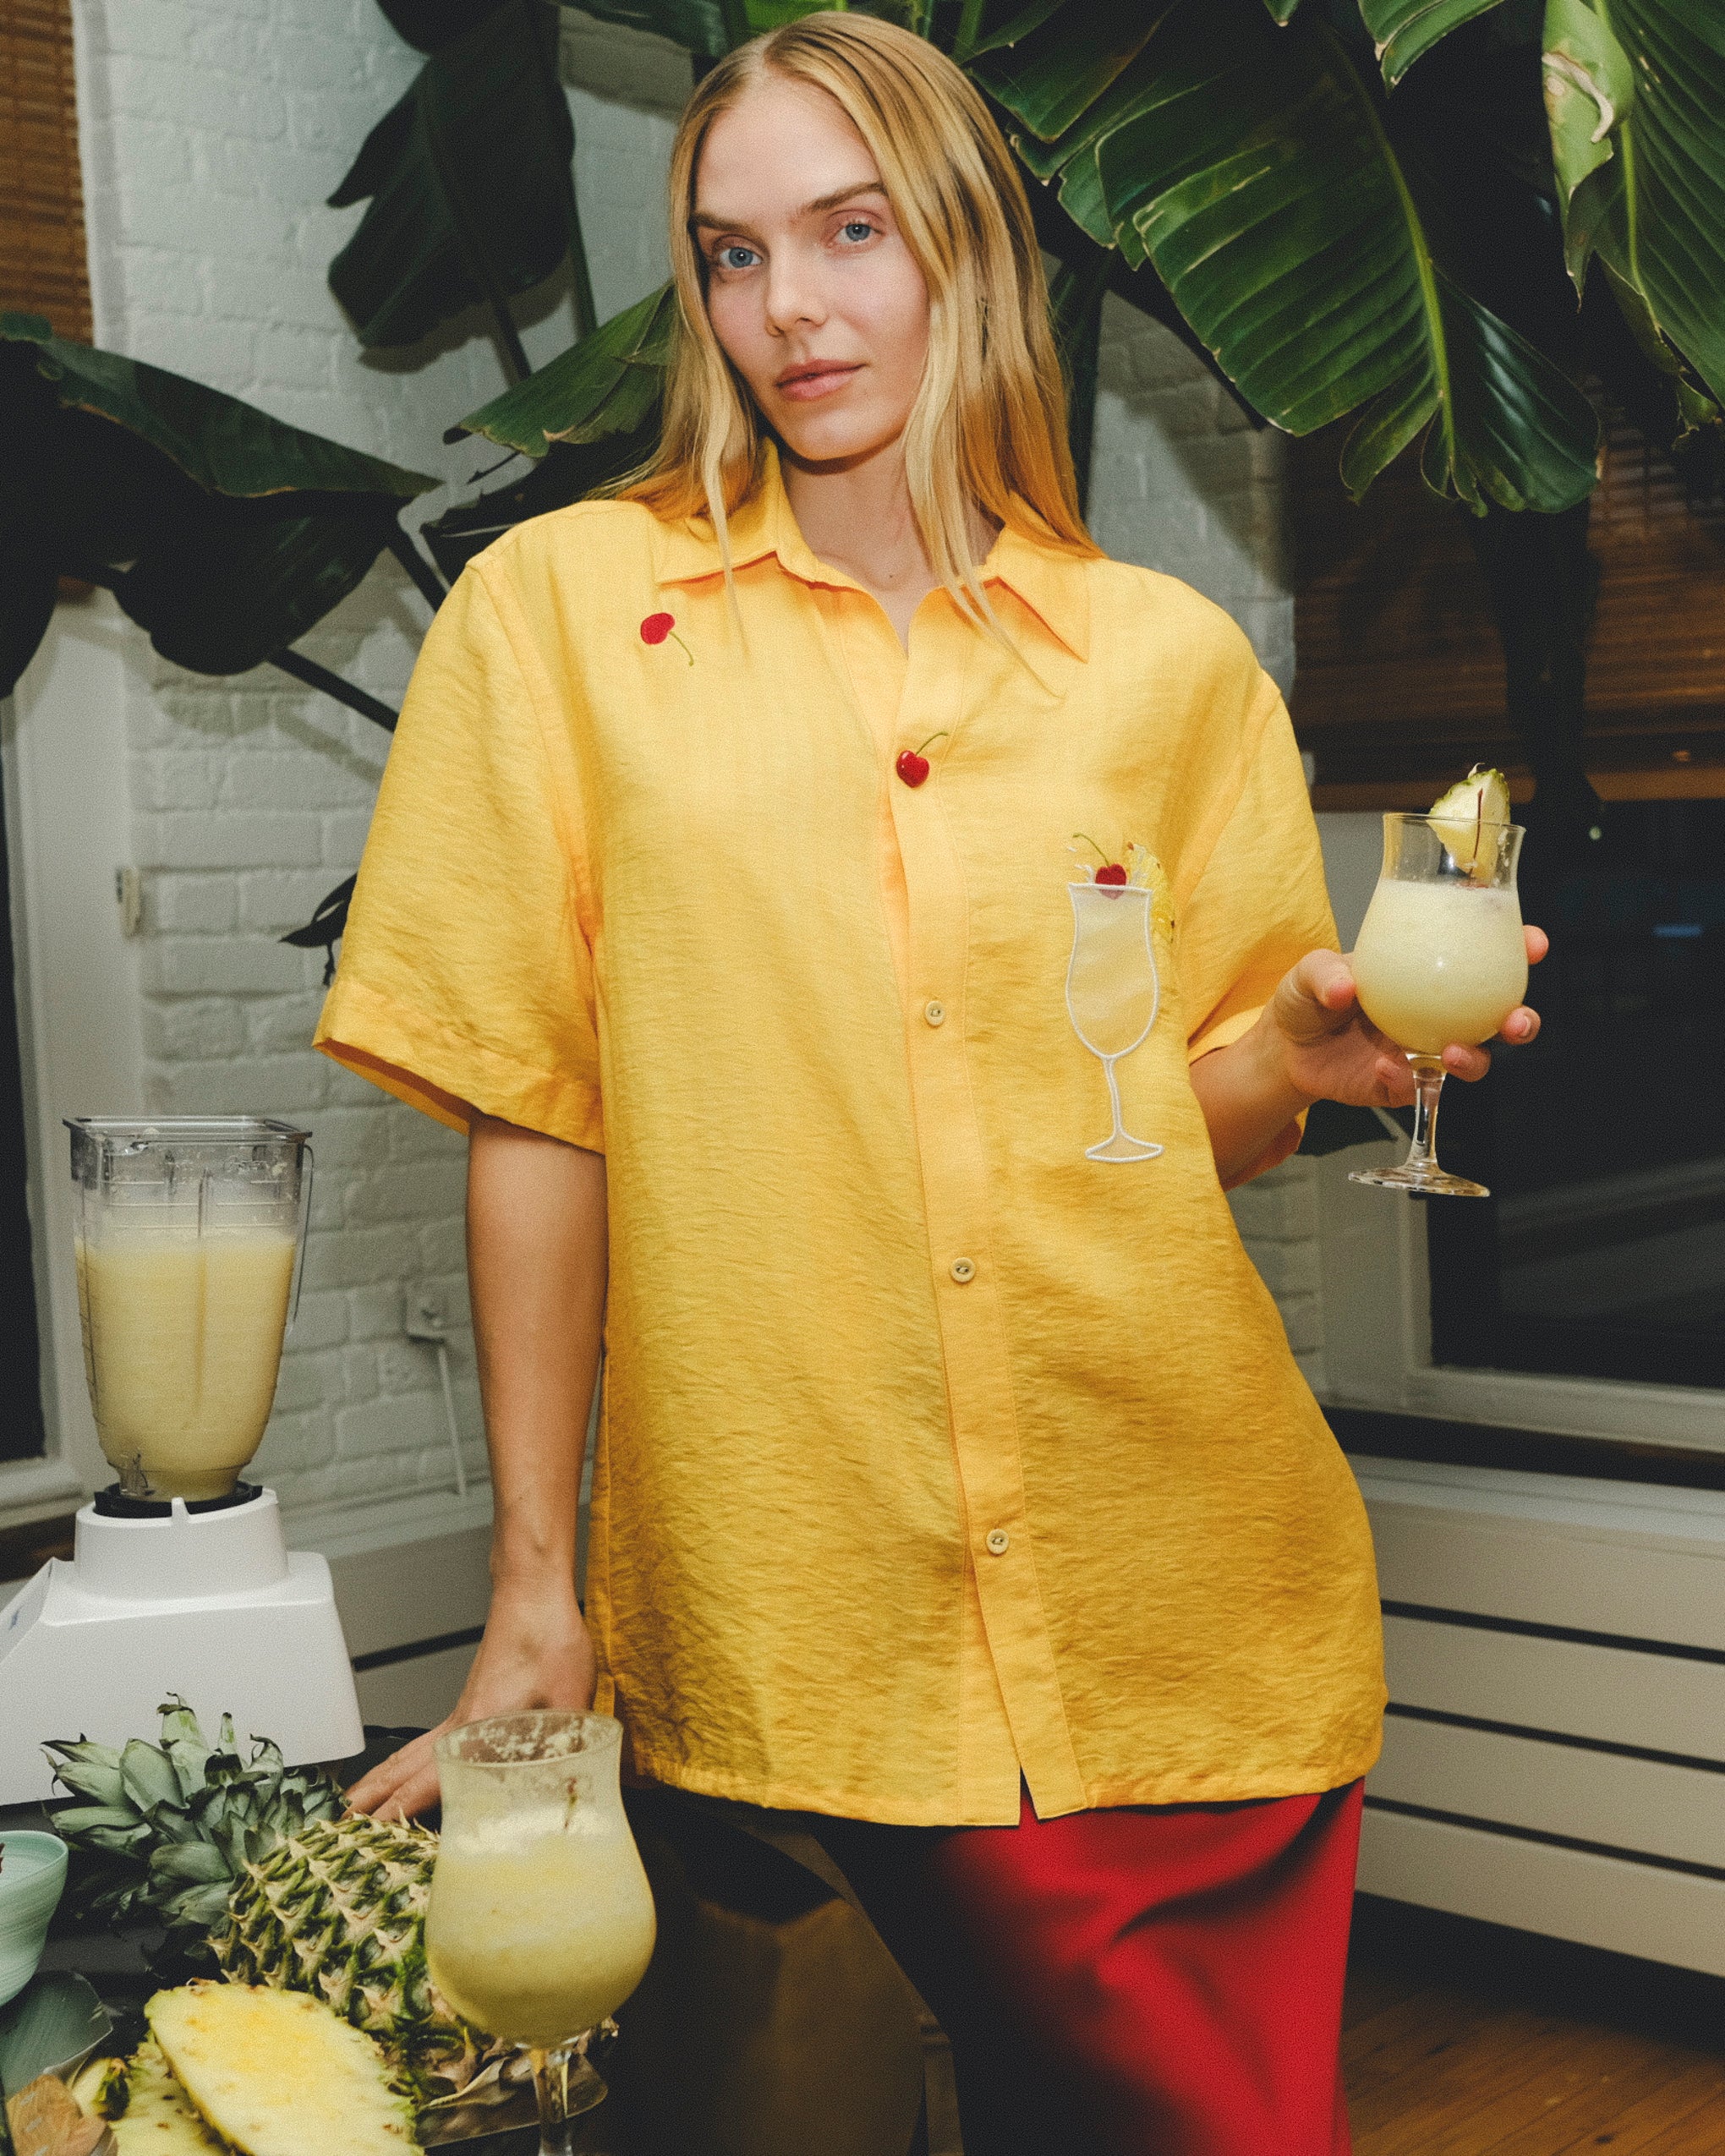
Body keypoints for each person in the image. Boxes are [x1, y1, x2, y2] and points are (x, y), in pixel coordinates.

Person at [320, 16, 1544, 2153]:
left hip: (1178, 1621)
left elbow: (1181, 1113)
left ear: (965, 247)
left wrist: (1298, 1061)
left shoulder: (1164, 666)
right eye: (728, 254)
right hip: (776, 1639)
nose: (787, 309)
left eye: (850, 233)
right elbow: (542, 1115)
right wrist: (540, 1593)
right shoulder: (558, 622)